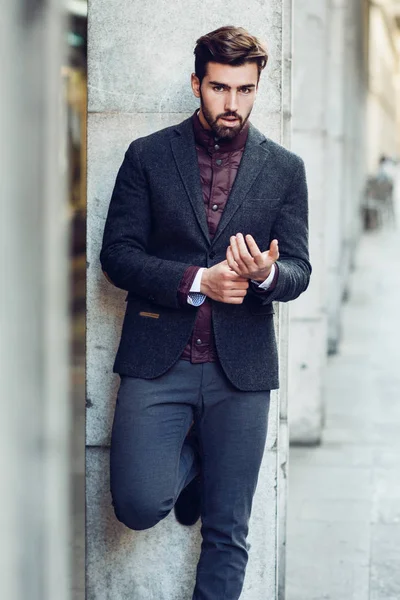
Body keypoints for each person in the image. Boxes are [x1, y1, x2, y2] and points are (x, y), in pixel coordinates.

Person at [100, 25, 311, 600]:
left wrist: (265, 273)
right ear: (196, 83)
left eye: (246, 90)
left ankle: (212, 479)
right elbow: (117, 256)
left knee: (228, 531)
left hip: (240, 371)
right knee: (139, 504)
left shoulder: (285, 169)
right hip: (158, 361)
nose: (232, 104)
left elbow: (299, 270)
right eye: (220, 88)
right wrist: (199, 280)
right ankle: (196, 463)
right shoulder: (147, 155)